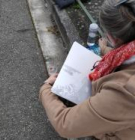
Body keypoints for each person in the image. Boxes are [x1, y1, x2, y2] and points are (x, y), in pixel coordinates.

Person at [39, 0, 135, 140]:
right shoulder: (126, 53)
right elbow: (124, 57)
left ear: (113, 38)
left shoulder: (126, 91)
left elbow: (65, 124)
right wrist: (105, 49)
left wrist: (46, 89)